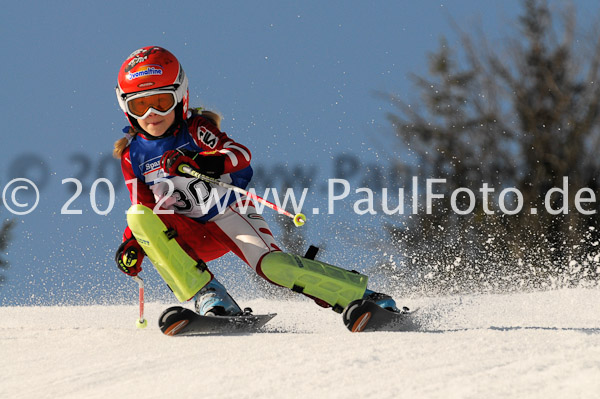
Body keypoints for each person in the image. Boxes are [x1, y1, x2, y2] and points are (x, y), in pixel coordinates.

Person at [113, 46, 399, 317]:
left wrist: (205, 162)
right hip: (187, 232)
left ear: (180, 97)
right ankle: (209, 296)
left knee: (273, 267)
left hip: (227, 213)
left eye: (161, 103)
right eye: (140, 106)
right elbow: (145, 209)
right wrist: (133, 244)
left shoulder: (196, 129)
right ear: (126, 108)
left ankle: (364, 296)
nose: (152, 115)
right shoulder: (132, 156)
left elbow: (240, 154)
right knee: (137, 216)